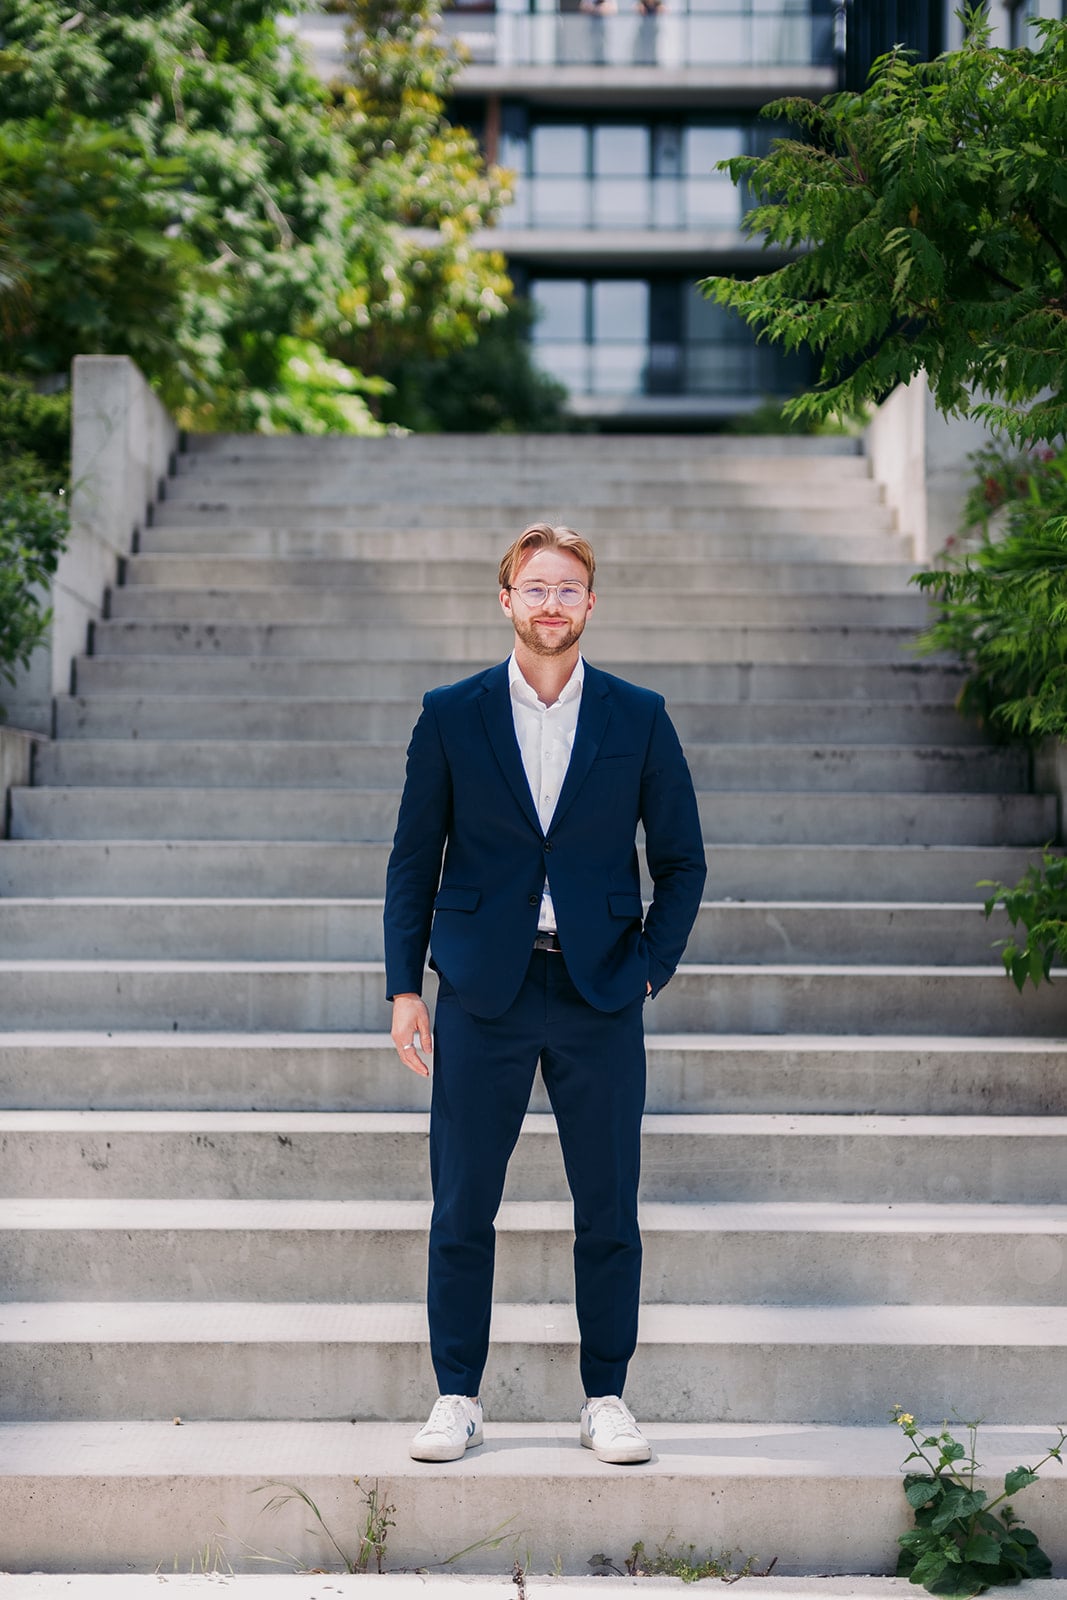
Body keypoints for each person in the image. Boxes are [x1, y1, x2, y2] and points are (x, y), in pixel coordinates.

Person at [384, 521, 706, 1467]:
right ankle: (456, 1396)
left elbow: (682, 863)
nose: (552, 604)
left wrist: (650, 965)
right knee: (461, 1206)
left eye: (568, 589)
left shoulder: (637, 715)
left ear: (591, 604)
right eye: (536, 589)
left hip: (600, 990)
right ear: (506, 600)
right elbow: (413, 861)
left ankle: (605, 1396)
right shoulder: (451, 713)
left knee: (608, 1208)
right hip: (483, 986)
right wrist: (406, 988)